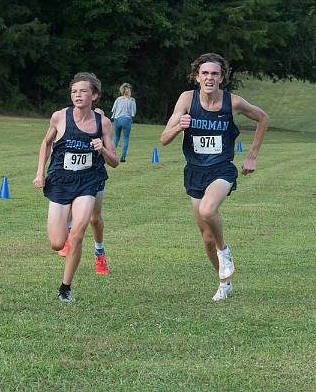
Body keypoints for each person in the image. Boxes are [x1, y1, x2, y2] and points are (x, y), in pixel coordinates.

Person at [160, 53, 269, 301]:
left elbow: (263, 117)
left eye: (215, 74)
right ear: (197, 76)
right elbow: (164, 139)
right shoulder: (187, 99)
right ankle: (224, 281)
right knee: (207, 238)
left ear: (222, 78)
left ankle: (225, 251)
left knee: (209, 211)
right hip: (195, 172)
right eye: (205, 73)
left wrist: (252, 155)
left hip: (222, 169)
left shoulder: (233, 102)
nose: (210, 78)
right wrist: (179, 127)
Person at [34, 73, 119, 302]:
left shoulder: (103, 123)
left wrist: (102, 149)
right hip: (60, 181)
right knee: (57, 243)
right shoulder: (59, 117)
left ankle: (65, 288)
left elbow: (115, 161)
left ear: (94, 95)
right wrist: (40, 172)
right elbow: (46, 142)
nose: (77, 95)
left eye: (83, 91)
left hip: (88, 182)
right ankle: (67, 244)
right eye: (74, 91)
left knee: (79, 233)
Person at [58, 107, 110, 276]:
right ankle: (70, 238)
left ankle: (99, 253)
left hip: (94, 176)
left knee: (94, 219)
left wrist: (101, 148)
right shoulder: (68, 118)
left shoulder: (101, 120)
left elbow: (112, 159)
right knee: (69, 208)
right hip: (73, 177)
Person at [111, 83, 136, 162]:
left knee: (116, 137)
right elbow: (133, 112)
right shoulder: (131, 100)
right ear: (129, 91)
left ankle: (112, 154)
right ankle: (123, 157)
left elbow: (113, 110)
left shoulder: (118, 99)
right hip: (126, 120)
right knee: (126, 138)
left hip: (117, 120)